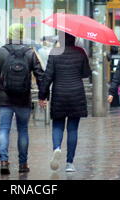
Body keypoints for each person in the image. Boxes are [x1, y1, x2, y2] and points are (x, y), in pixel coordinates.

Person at [0, 24, 44, 175]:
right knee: (23, 130)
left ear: (9, 34)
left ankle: (4, 161)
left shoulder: (0, 52)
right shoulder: (30, 53)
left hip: (4, 99)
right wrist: (43, 95)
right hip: (23, 99)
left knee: (4, 129)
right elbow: (40, 75)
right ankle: (23, 164)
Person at [39, 33, 91, 173]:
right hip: (76, 94)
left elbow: (48, 76)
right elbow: (86, 73)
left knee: (57, 125)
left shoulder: (54, 52)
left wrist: (42, 96)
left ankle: (57, 148)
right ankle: (69, 163)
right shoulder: (80, 52)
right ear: (74, 38)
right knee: (73, 129)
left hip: (59, 93)